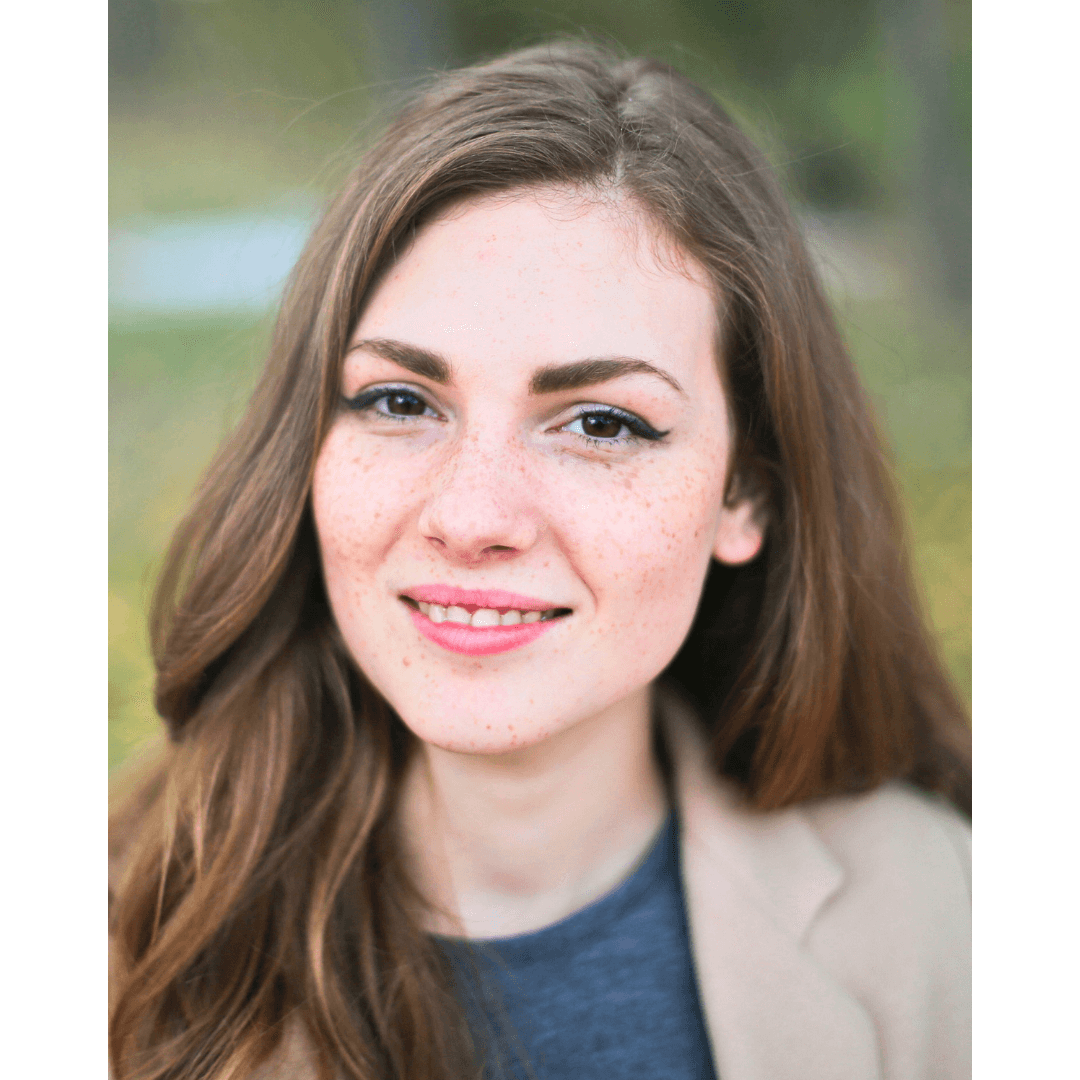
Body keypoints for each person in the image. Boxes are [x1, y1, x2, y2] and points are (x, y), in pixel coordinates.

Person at [108, 41, 971, 1080]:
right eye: (398, 401)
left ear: (747, 493)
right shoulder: (103, 943)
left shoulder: (949, 915)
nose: (473, 516)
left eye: (601, 423)